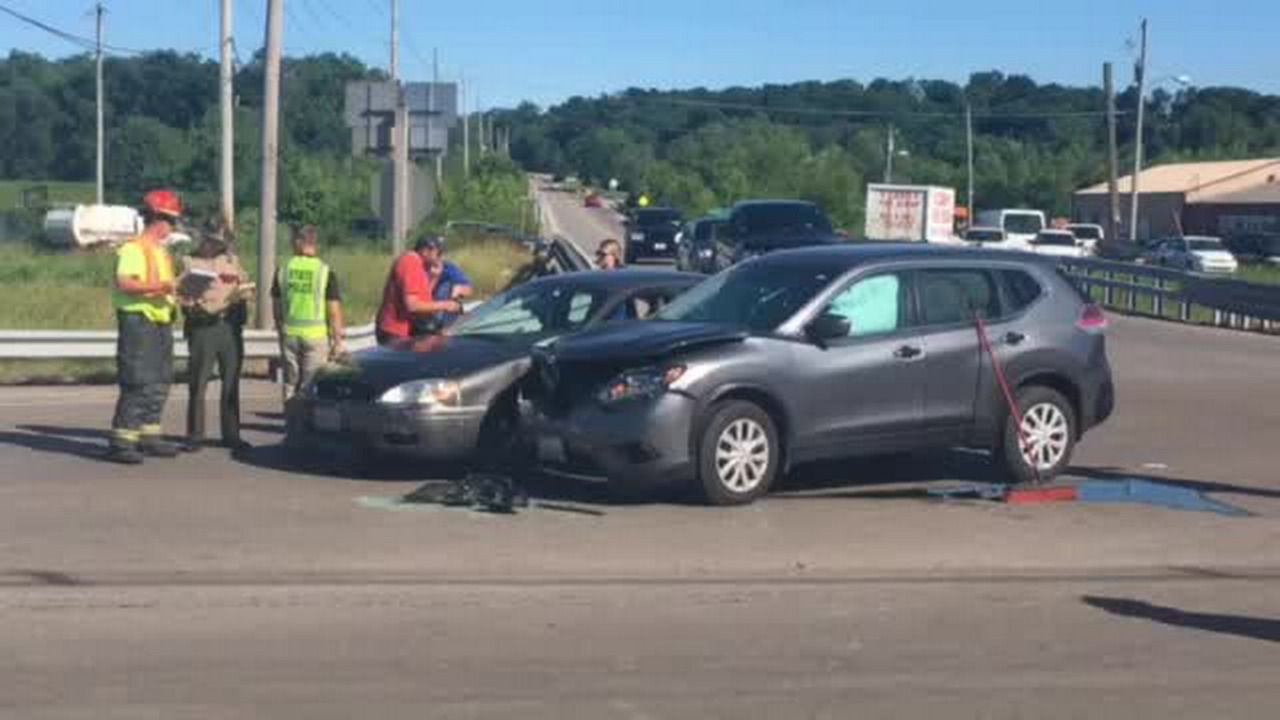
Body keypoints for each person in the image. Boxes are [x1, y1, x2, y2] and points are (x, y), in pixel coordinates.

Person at [106, 190, 183, 464]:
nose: (173, 227)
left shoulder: (160, 252)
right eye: (172, 221)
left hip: (161, 320)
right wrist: (161, 287)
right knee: (137, 380)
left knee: (160, 381)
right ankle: (122, 441)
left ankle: (150, 435)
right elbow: (125, 283)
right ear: (158, 219)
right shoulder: (133, 248)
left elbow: (164, 289)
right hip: (138, 321)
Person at [177, 220, 251, 453]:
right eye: (217, 242)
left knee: (231, 384)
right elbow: (183, 298)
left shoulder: (231, 260)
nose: (221, 246)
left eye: (223, 243)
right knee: (198, 383)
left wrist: (243, 296)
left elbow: (246, 285)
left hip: (229, 327)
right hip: (204, 328)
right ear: (206, 240)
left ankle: (232, 435)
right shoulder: (190, 261)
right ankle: (195, 435)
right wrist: (192, 307)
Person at [271, 225, 345, 402]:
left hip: (290, 335)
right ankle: (304, 425)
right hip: (316, 337)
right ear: (314, 243)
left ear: (298, 243)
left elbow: (276, 307)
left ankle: (290, 421)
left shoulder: (283, 270)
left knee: (290, 383)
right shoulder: (324, 271)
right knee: (310, 385)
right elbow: (333, 311)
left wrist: (281, 331)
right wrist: (337, 342)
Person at [376, 235, 467, 346]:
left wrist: (434, 278)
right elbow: (412, 305)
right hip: (396, 332)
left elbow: (422, 297)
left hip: (410, 330)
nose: (440, 257)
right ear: (425, 251)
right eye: (438, 253)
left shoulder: (420, 265)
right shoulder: (410, 262)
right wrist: (446, 305)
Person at [420, 236, 474, 331]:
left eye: (441, 252)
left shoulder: (447, 267)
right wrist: (434, 278)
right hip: (422, 311)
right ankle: (434, 325)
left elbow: (468, 289)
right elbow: (421, 298)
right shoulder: (418, 267)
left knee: (449, 285)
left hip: (442, 314)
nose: (439, 256)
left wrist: (458, 290)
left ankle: (442, 326)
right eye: (437, 252)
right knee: (445, 287)